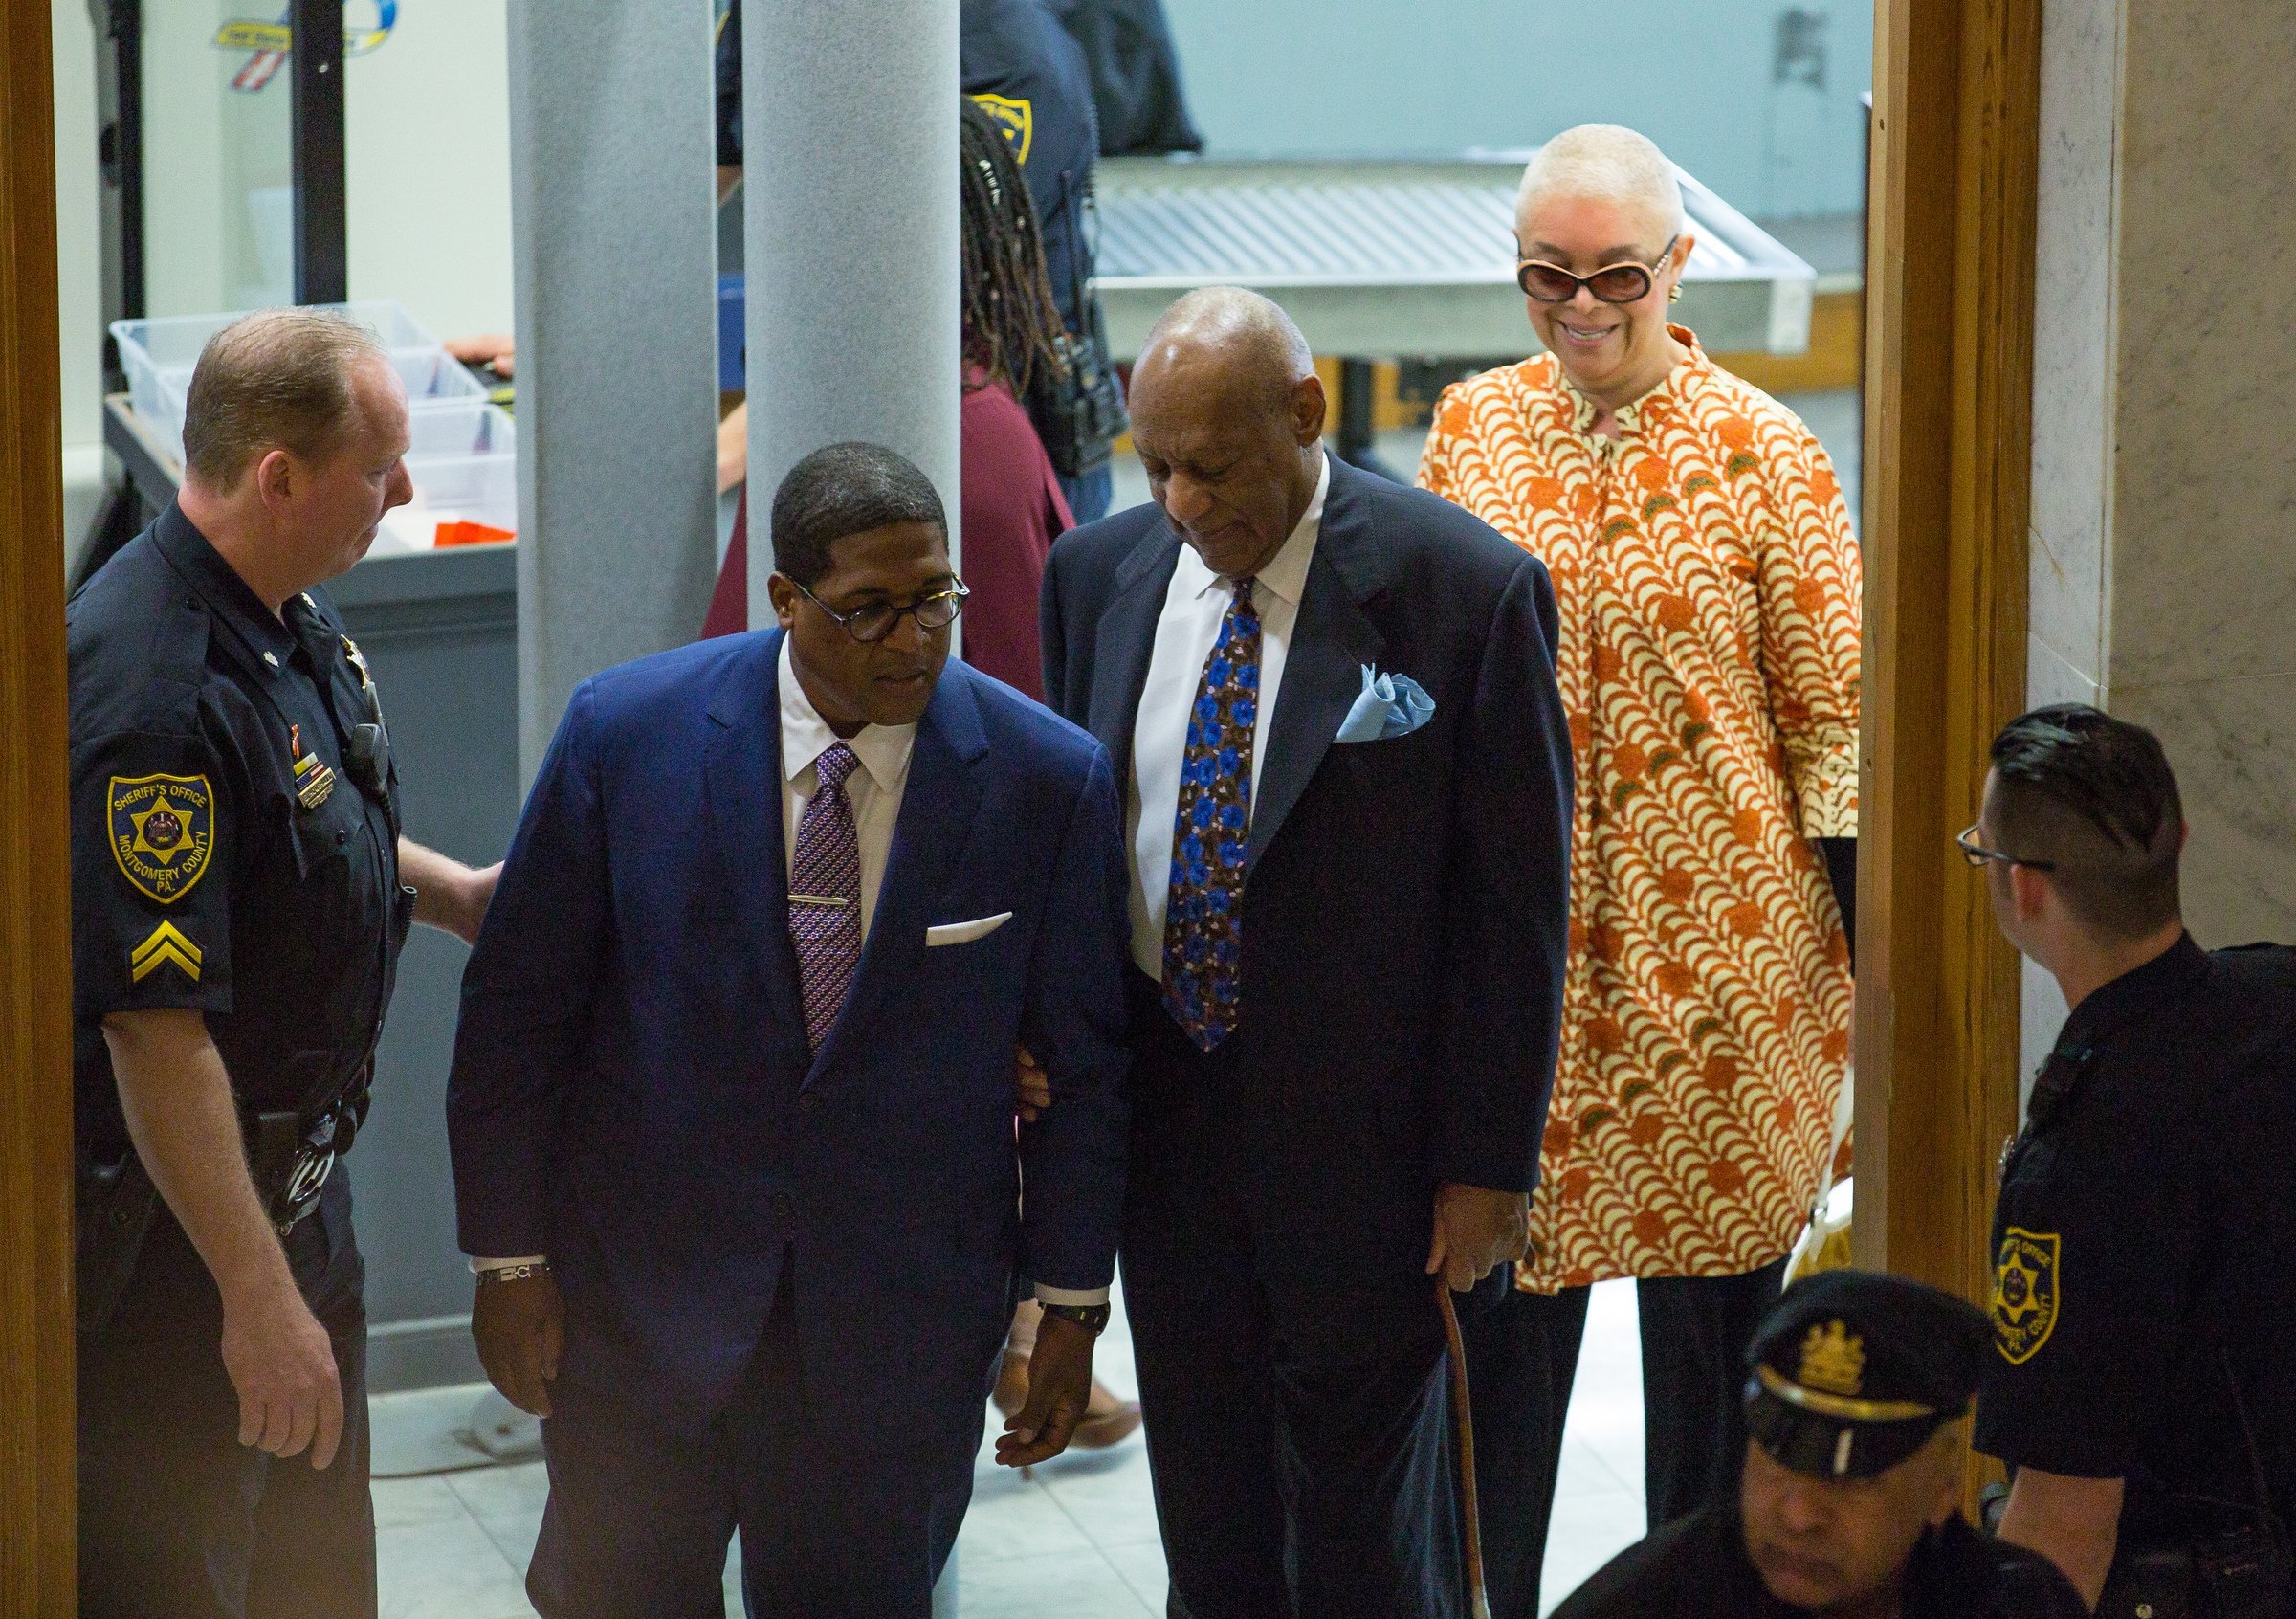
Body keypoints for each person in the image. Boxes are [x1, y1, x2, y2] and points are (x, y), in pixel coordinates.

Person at [447, 443, 1135, 1617]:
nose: (913, 639)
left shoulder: (1042, 777)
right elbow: (518, 1018)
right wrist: (510, 1262)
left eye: (935, 601)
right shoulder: (628, 735)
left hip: (894, 1333)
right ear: (785, 600)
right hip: (641, 1313)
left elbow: (1083, 1067)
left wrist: (1067, 1304)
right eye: (869, 610)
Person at [1040, 285, 1574, 1616]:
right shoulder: (1093, 579)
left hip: (1369, 1158)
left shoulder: (1464, 589)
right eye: (1152, 465)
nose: (1177, 503)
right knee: (1209, 1523)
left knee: (1360, 1543)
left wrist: (1489, 1166)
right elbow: (1074, 858)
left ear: (1305, 415)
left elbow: (1516, 913)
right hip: (1169, 1136)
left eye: (1211, 468)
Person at [1415, 123, 1863, 1616]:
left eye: (1616, 273)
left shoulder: (1771, 455)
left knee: (1711, 1430)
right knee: (1497, 1414)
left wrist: (1878, 1035)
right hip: (1521, 1015)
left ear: (1679, 266)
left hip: (1727, 1021)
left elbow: (1839, 745)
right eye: (1549, 276)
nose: (1583, 306)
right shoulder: (1472, 433)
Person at [69, 308, 499, 1618]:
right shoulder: (153, 694)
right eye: (382, 467)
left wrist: (465, 899)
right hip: (181, 1263)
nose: (408, 491)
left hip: (293, 1206)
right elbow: (155, 1030)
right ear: (280, 478)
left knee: (316, 1575)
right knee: (194, 1574)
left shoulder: (279, 613)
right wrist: (256, 1302)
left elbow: (310, 839)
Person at [1965, 705, 2296, 1613]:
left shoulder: (2080, 1159)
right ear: (2179, 842)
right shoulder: (2277, 998)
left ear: (2023, 888)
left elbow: (2063, 1520)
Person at [713, 0, 1125, 521]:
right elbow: (698, 181)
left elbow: (913, 310)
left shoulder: (1005, 58)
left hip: (990, 432)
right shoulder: (777, 16)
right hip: (832, 416)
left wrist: (724, 453)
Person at [1554, 1269, 2087, 1618]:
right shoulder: (1641, 1605)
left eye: (1854, 1479)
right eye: (1778, 1460)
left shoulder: (2022, 1605)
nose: (1801, 1514)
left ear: (1945, 1480)